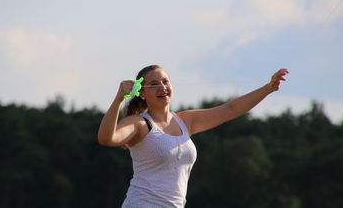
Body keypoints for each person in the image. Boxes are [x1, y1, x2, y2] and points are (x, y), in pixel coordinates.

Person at [98, 65, 289, 208]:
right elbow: (107, 138)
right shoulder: (139, 123)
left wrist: (268, 88)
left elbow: (231, 108)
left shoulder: (185, 120)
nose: (162, 87)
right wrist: (119, 99)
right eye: (154, 84)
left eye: (165, 81)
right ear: (142, 93)